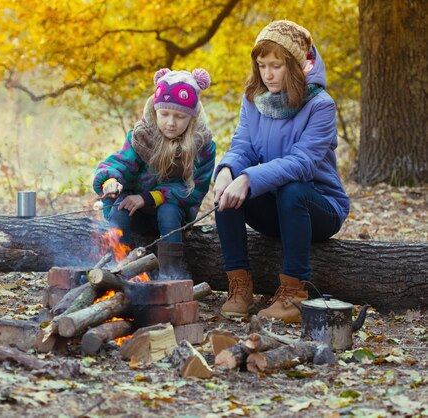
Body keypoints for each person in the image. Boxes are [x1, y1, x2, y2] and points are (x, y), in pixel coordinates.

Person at [213, 20, 350, 322]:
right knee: (225, 188)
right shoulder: (254, 100)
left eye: (276, 65)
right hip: (277, 207)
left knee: (291, 191)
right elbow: (243, 147)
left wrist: (249, 178)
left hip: (318, 208)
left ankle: (294, 295)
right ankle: (240, 287)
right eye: (262, 65)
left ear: (295, 65)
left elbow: (303, 163)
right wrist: (226, 171)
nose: (268, 74)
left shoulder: (320, 105)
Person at [93, 68, 216, 280]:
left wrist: (148, 198)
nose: (170, 122)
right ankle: (118, 268)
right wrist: (111, 180)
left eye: (180, 116)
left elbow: (193, 190)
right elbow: (121, 163)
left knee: (168, 211)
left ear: (192, 117)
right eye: (164, 114)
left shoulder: (202, 146)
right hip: (136, 212)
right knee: (120, 208)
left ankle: (170, 275)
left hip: (174, 212)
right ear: (155, 111)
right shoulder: (142, 137)